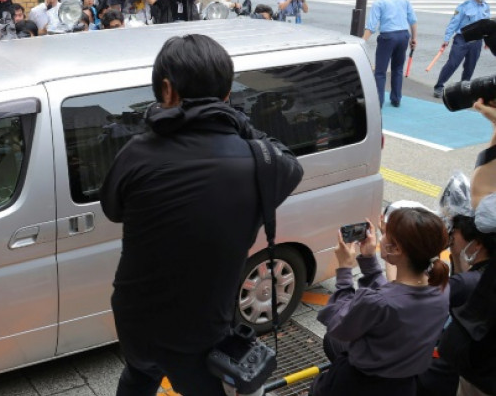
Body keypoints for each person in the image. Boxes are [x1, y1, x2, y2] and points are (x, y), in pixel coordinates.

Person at [100, 34, 303, 396]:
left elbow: (112, 210)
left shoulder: (137, 152)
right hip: (202, 327)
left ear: (166, 90)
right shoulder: (258, 163)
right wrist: (236, 120)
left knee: (139, 374)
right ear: (226, 94)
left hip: (136, 315)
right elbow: (290, 163)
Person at [311, 209, 450, 396]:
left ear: (397, 249)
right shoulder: (441, 289)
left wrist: (344, 269)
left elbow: (338, 324)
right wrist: (368, 260)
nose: (380, 238)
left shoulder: (379, 302)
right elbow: (396, 296)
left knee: (333, 340)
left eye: (385, 234)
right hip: (404, 385)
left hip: (358, 385)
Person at [417, 211, 495, 396]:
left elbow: (414, 301)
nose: (451, 236)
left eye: (455, 232)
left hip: (435, 374)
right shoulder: (484, 277)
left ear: (476, 243)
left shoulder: (465, 283)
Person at [363, 0, 418, 108]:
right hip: (404, 35)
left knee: (380, 71)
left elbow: (371, 26)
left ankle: (379, 102)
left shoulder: (379, 2)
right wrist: (413, 38)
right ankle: (396, 99)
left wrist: (361, 42)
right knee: (398, 68)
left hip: (388, 37)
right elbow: (413, 20)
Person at [433, 0, 491, 98]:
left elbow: (486, 25)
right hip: (462, 40)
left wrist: (487, 40)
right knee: (452, 64)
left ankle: (463, 90)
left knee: (470, 66)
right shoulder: (464, 6)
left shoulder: (486, 7)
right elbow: (454, 23)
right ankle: (439, 86)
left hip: (477, 41)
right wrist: (447, 38)